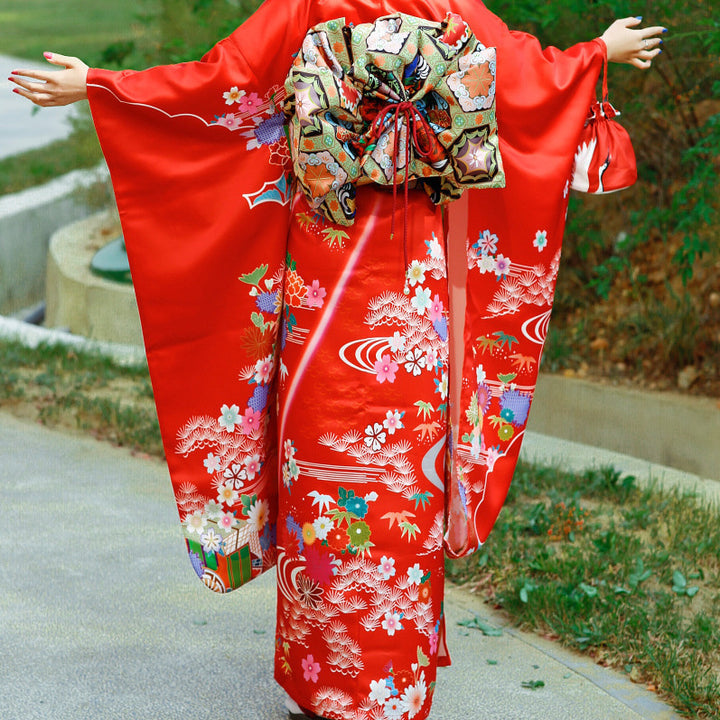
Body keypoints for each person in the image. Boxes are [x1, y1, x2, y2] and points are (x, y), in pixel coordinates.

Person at [10, 2, 664, 719]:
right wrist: (596, 52)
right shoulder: (438, 7)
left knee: (366, 467)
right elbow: (526, 80)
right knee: (360, 468)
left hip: (338, 271)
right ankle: (370, 681)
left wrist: (107, 87)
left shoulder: (312, 6)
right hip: (390, 279)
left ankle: (338, 681)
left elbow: (218, 87)